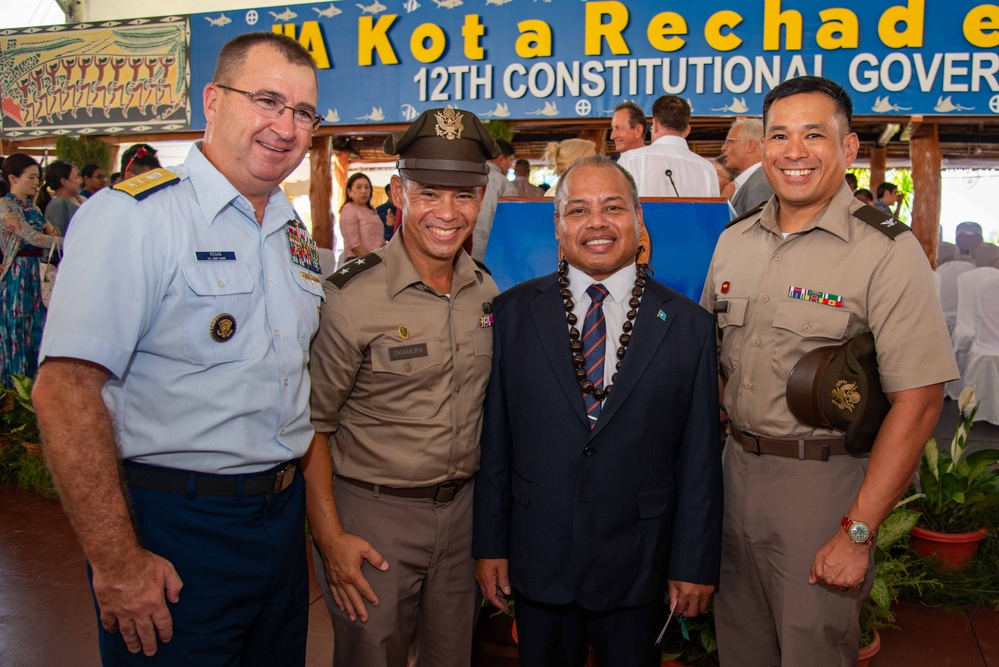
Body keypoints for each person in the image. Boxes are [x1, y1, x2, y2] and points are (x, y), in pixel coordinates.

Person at [32, 31, 325, 665]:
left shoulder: (288, 230)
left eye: (304, 112)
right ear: (213, 101)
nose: (287, 126)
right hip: (177, 526)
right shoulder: (134, 217)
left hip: (277, 521)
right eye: (268, 100)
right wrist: (116, 562)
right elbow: (65, 389)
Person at [701, 75, 958, 666]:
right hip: (733, 473)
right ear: (762, 149)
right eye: (780, 136)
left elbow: (918, 404)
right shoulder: (733, 243)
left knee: (812, 652)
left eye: (814, 135)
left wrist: (857, 532)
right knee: (739, 648)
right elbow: (710, 365)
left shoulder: (887, 252)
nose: (794, 152)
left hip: (822, 488)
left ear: (848, 148)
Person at [474, 155, 722, 666]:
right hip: (540, 556)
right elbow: (495, 443)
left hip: (640, 563)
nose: (597, 223)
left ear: (638, 220)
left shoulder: (687, 325)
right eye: (579, 210)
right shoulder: (513, 314)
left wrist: (694, 562)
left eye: (613, 207)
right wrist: (490, 546)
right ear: (559, 227)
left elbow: (699, 459)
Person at [304, 107, 500, 667]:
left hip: (461, 517)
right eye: (429, 193)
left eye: (464, 195)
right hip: (374, 517)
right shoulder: (350, 297)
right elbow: (313, 425)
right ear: (398, 192)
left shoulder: (485, 292)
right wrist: (329, 536)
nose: (447, 212)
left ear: (481, 197)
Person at [0, 153, 60, 385]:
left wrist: (53, 235)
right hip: (17, 274)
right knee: (17, 329)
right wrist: (65, 240)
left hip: (35, 271)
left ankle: (34, 388)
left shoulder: (32, 207)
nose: (37, 182)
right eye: (32, 177)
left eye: (38, 177)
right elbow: (32, 237)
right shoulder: (6, 206)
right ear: (13, 178)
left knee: (37, 327)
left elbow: (45, 234)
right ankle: (14, 390)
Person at [617, 95, 719, 198]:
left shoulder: (630, 160)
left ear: (655, 125)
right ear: (687, 130)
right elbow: (714, 212)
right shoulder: (707, 169)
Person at [472, 138, 517, 261]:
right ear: (501, 159)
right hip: (493, 253)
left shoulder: (469, 177)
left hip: (464, 250)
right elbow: (511, 224)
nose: (510, 165)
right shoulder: (503, 183)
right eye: (510, 160)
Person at [723, 118, 775, 217]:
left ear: (750, 145)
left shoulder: (761, 182)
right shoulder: (755, 180)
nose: (723, 148)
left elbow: (758, 230)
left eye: (729, 142)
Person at [338, 172, 386, 266]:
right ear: (349, 191)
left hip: (378, 261)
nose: (363, 191)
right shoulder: (349, 209)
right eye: (358, 187)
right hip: (359, 262)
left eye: (367, 187)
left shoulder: (371, 210)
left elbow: (380, 240)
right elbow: (354, 244)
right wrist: (371, 262)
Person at [41, 161, 83, 236]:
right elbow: (59, 238)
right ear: (64, 181)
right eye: (76, 177)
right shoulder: (58, 205)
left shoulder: (69, 202)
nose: (80, 181)